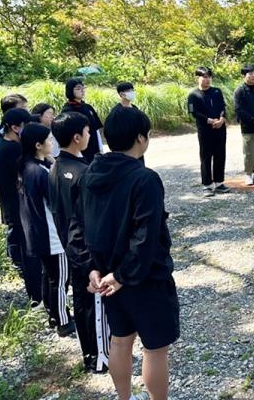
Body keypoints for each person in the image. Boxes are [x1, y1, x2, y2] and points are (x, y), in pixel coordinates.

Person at [70, 106, 179, 400]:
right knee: (155, 348)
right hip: (143, 276)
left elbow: (77, 226)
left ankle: (124, 397)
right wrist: (122, 275)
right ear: (141, 138)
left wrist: (92, 269)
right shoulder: (144, 179)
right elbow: (145, 236)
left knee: (120, 340)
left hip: (106, 276)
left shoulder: (88, 174)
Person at [49, 112, 110, 373]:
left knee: (82, 301)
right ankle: (99, 358)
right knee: (94, 303)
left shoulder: (55, 167)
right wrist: (92, 261)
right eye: (86, 132)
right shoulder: (83, 172)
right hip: (86, 251)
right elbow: (88, 219)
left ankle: (91, 354)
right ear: (77, 137)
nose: (89, 136)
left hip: (69, 246)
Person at [17, 123, 75, 336]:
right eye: (48, 140)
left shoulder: (25, 166)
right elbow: (55, 203)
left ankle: (52, 313)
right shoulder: (40, 172)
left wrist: (50, 161)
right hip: (51, 235)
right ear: (38, 145)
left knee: (49, 275)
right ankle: (62, 320)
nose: (52, 143)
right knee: (60, 280)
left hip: (34, 232)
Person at [0, 108, 40, 303]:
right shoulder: (13, 149)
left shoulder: (7, 144)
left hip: (15, 206)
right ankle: (36, 296)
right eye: (26, 126)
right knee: (29, 253)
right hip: (19, 208)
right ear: (15, 128)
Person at [187, 67, 230, 196]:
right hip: (205, 129)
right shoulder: (193, 95)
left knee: (220, 155)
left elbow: (223, 107)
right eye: (204, 77)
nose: (207, 79)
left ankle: (219, 182)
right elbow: (193, 112)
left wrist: (222, 119)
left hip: (220, 128)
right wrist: (208, 120)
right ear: (197, 78)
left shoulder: (217, 92)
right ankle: (207, 184)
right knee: (206, 156)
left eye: (209, 77)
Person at [0, 94, 29, 194]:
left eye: (27, 107)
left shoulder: (21, 129)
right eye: (23, 107)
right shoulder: (0, 134)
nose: (27, 110)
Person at [62, 78, 104, 161]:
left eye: (83, 88)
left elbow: (96, 129)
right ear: (70, 90)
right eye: (78, 88)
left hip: (94, 147)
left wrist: (100, 147)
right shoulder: (68, 110)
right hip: (79, 150)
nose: (82, 90)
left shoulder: (88, 107)